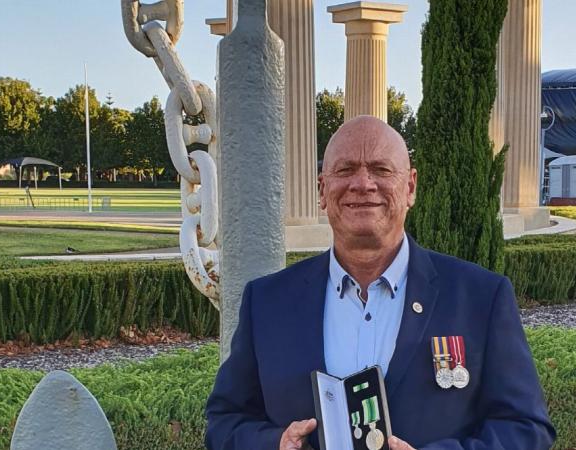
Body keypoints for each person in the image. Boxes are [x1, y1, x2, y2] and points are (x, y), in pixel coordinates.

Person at [205, 115, 555, 449]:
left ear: (410, 188)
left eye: (380, 169)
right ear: (323, 190)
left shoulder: (480, 297)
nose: (362, 183)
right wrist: (273, 445)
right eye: (345, 170)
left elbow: (525, 427)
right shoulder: (267, 302)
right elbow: (225, 420)